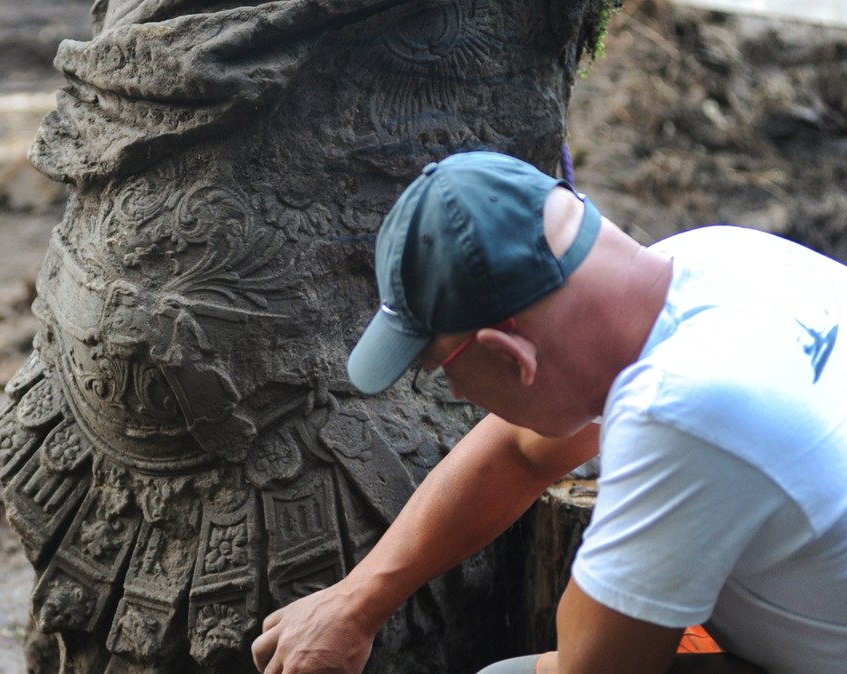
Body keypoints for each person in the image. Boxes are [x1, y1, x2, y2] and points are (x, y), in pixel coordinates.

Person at [250, 151, 847, 674]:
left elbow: (595, 669)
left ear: (510, 354)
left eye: (445, 370)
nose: (457, 395)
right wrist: (355, 603)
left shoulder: (682, 409)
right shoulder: (717, 258)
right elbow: (515, 451)